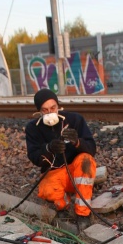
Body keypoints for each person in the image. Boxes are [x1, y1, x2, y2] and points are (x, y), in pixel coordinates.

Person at [25, 88, 97, 232]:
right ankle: (63, 206)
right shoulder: (33, 128)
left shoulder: (75, 120)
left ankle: (83, 214)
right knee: (47, 190)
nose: (50, 113)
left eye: (53, 108)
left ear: (58, 106)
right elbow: (34, 157)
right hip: (55, 173)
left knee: (86, 161)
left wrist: (77, 142)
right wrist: (48, 149)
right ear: (39, 111)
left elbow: (92, 149)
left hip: (75, 171)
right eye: (45, 110)